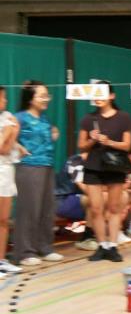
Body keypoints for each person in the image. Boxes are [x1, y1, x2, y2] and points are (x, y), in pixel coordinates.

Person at [78, 82, 131, 263]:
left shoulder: (123, 117)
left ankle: (113, 246)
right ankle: (102, 245)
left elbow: (127, 145)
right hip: (93, 167)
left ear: (111, 96)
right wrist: (93, 140)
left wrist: (109, 142)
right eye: (95, 94)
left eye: (102, 93)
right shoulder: (88, 119)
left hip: (114, 166)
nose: (98, 97)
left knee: (114, 208)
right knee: (96, 208)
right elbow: (81, 145)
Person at [12, 81, 64, 267]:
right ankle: (25, 252)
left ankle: (45, 247)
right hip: (28, 167)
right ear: (30, 98)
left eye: (47, 95)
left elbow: (48, 137)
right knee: (29, 210)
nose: (46, 99)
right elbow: (7, 137)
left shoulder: (45, 118)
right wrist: (18, 146)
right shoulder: (19, 118)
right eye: (41, 96)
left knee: (47, 208)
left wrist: (54, 133)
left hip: (47, 166)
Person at [54, 153, 98, 252]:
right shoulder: (76, 161)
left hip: (76, 200)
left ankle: (110, 236)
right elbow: (87, 189)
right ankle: (87, 238)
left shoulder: (96, 163)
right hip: (62, 201)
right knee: (93, 199)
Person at [0, 88, 22, 275]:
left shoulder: (6, 117)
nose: (5, 101)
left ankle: (1, 260)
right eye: (2, 98)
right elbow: (1, 147)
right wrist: (11, 131)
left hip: (6, 171)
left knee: (4, 219)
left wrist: (14, 133)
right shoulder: (7, 122)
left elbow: (7, 149)